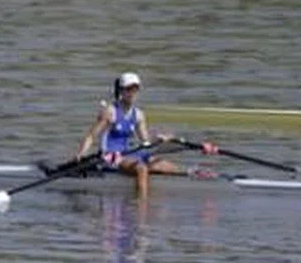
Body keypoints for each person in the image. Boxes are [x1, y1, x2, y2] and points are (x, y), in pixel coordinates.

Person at [75, 72, 217, 195]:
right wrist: (80, 154)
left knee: (164, 164)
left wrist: (163, 139)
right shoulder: (110, 112)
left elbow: (146, 143)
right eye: (128, 89)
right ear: (121, 91)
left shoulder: (139, 115)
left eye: (135, 89)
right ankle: (142, 205)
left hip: (127, 153)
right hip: (110, 156)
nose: (132, 93)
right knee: (141, 168)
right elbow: (91, 136)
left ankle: (199, 176)